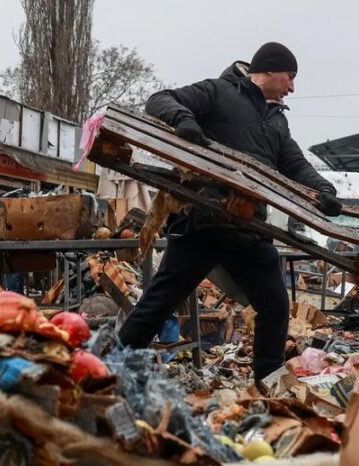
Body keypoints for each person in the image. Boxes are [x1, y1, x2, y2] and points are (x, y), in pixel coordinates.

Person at [117, 41, 341, 390]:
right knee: (160, 302)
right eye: (290, 77)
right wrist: (184, 120)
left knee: (275, 305)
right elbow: (160, 99)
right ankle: (112, 368)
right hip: (200, 222)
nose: (292, 87)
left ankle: (268, 385)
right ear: (268, 70)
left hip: (248, 229)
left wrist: (323, 190)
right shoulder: (219, 92)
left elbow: (294, 163)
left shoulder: (276, 121)